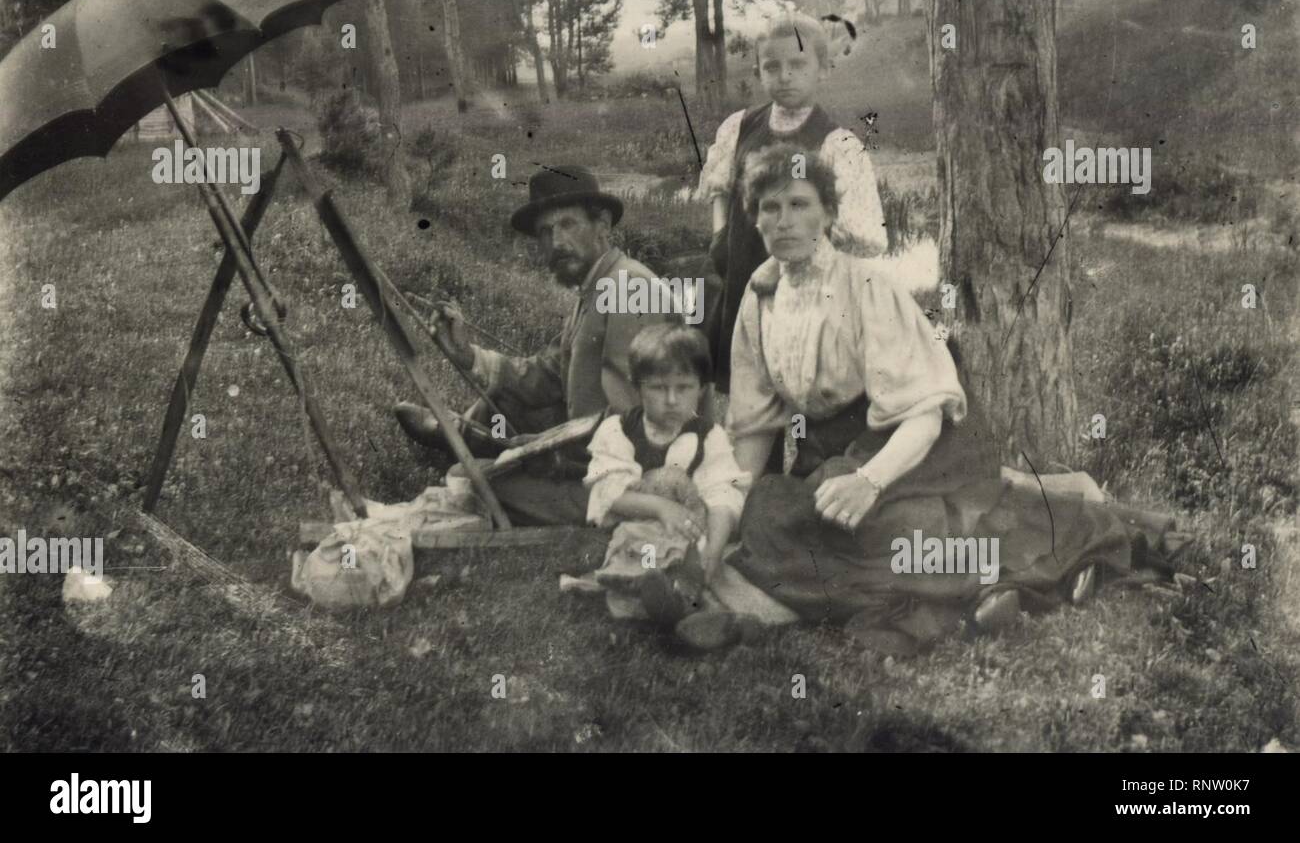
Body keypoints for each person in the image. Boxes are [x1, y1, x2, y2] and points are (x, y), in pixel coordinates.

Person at [704, 143, 1178, 656]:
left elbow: (924, 413)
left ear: (829, 213)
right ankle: (1000, 555)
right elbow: (752, 430)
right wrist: (726, 510)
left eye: (800, 204)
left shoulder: (864, 287)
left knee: (894, 528)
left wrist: (868, 481)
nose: (785, 220)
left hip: (922, 439)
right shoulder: (759, 298)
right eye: (770, 208)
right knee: (772, 511)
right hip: (838, 454)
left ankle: (1061, 549)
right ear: (753, 220)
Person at [395, 165, 670, 525]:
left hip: (637, 480)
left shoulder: (629, 288)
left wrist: (554, 453)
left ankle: (466, 440)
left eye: (568, 225)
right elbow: (550, 372)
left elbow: (636, 419)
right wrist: (467, 355)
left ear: (602, 226)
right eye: (545, 231)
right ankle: (463, 434)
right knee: (494, 440)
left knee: (475, 482)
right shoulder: (595, 288)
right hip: (600, 455)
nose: (556, 243)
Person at [698, 12, 888, 394]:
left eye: (798, 64)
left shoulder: (837, 143)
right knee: (749, 390)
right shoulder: (740, 127)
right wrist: (721, 236)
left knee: (804, 383)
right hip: (743, 272)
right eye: (772, 66)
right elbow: (719, 186)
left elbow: (862, 235)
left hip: (806, 285)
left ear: (823, 69)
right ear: (759, 71)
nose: (785, 76)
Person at [582, 324, 750, 625]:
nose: (672, 400)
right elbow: (609, 492)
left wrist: (715, 546)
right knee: (634, 560)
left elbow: (722, 492)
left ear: (701, 388)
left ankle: (698, 612)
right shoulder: (619, 431)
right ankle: (665, 604)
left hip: (688, 538)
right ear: (637, 388)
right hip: (637, 531)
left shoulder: (709, 437)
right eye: (658, 388)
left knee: (712, 563)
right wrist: (661, 507)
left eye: (684, 388)